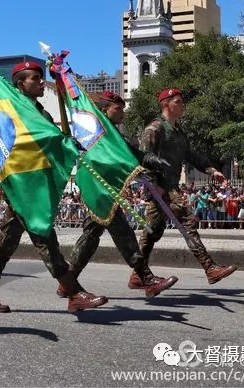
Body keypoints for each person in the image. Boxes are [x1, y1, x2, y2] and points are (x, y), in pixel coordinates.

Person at [0, 61, 108, 314]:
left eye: (40, 77)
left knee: (8, 239)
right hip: (20, 184)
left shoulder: (43, 115)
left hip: (37, 184)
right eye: (34, 78)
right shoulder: (12, 110)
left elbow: (49, 147)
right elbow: (8, 147)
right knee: (45, 237)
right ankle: (73, 292)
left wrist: (66, 144)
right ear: (20, 84)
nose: (39, 82)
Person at [64, 91, 178, 298]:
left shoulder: (115, 136)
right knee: (122, 231)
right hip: (98, 189)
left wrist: (152, 160)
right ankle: (146, 278)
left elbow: (132, 153)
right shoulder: (94, 133)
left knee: (91, 236)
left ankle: (67, 281)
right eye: (119, 109)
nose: (122, 113)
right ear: (105, 110)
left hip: (109, 189)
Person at [136, 88, 237, 286]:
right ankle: (209, 268)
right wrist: (154, 186)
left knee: (152, 233)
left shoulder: (178, 132)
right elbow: (143, 159)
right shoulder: (154, 129)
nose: (183, 106)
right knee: (185, 223)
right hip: (159, 189)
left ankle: (138, 273)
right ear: (166, 104)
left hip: (171, 187)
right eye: (178, 102)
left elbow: (190, 155)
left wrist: (211, 170)